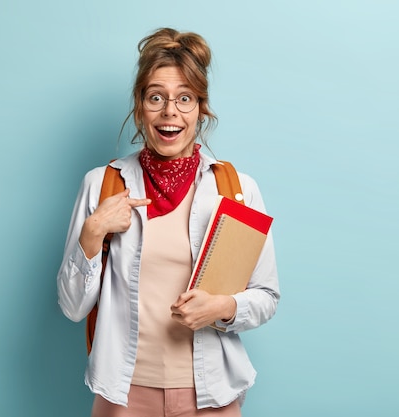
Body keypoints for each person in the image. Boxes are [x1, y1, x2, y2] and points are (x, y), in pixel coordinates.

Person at [57, 27, 280, 417]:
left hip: (210, 396)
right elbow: (73, 307)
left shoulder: (236, 189)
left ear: (201, 108)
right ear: (140, 104)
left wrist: (222, 307)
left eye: (185, 98)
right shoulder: (103, 185)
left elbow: (266, 296)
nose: (170, 112)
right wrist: (92, 233)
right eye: (156, 97)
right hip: (123, 396)